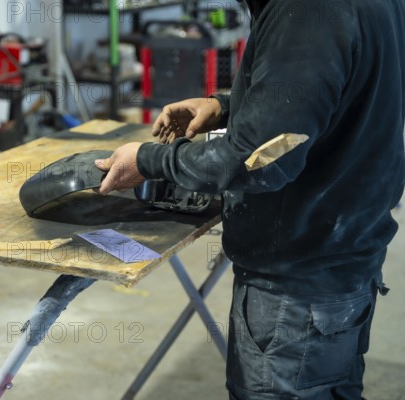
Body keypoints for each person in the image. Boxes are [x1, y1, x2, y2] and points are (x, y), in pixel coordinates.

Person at [94, 0, 405, 398]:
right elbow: (332, 92)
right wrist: (227, 106)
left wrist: (149, 160)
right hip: (346, 258)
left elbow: (260, 161)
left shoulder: (304, 10)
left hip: (298, 284)